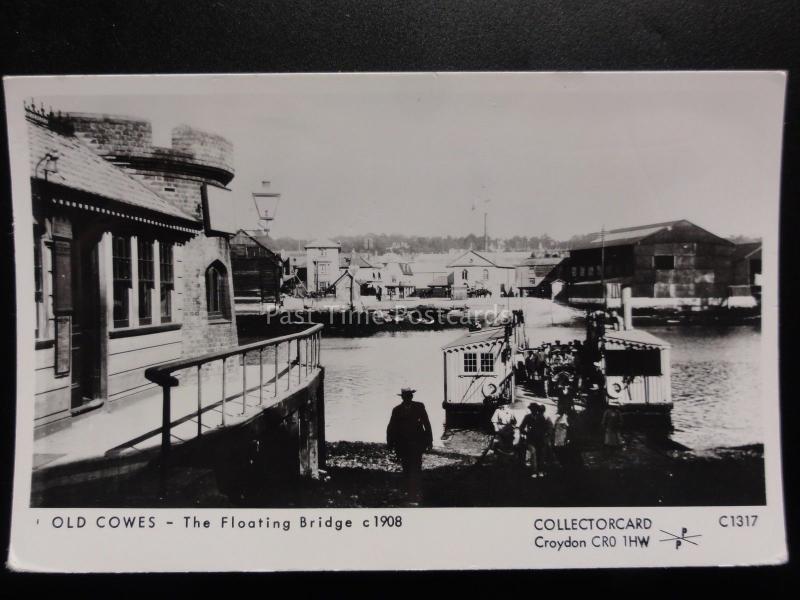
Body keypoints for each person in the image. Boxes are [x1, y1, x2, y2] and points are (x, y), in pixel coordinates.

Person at [386, 388, 434, 503]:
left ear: (412, 397)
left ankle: (417, 489)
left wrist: (429, 441)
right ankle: (408, 490)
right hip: (402, 443)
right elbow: (391, 427)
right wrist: (390, 443)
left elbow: (427, 424)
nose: (408, 398)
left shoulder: (419, 407)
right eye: (406, 396)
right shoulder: (396, 410)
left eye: (409, 395)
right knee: (406, 466)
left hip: (417, 442)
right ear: (402, 397)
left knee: (417, 465)